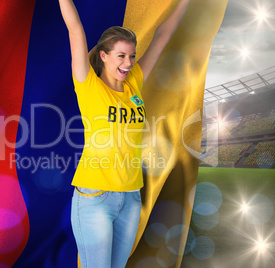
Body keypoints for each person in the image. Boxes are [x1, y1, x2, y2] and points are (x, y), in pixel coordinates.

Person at [58, 0, 190, 267]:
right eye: (121, 55)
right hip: (95, 198)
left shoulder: (134, 83)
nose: (129, 62)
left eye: (132, 55)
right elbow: (75, 30)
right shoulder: (88, 85)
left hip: (130, 197)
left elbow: (164, 33)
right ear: (104, 56)